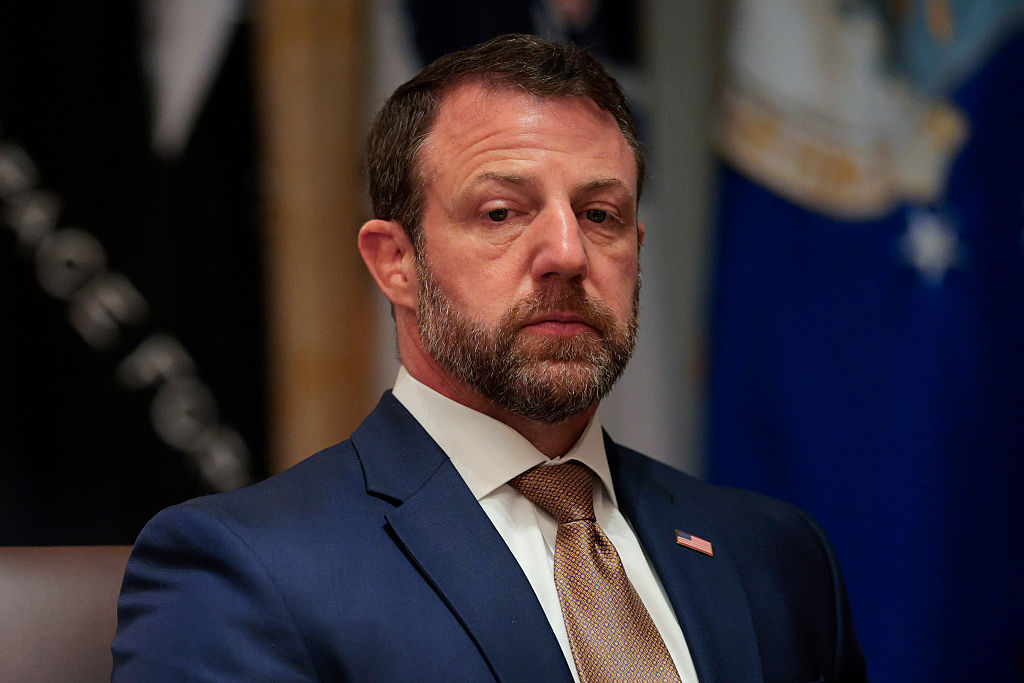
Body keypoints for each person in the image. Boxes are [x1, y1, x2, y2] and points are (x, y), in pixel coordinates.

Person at [112, 34, 867, 682]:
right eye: (501, 211)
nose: (568, 253)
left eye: (600, 215)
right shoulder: (244, 569)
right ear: (396, 262)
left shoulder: (776, 555)